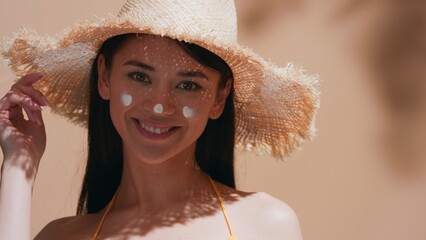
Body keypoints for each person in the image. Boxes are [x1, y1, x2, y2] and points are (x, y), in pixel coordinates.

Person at [0, 0, 319, 239]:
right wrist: (18, 166)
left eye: (188, 85)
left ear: (219, 98)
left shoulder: (264, 225)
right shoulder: (62, 237)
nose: (158, 106)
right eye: (140, 76)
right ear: (104, 77)